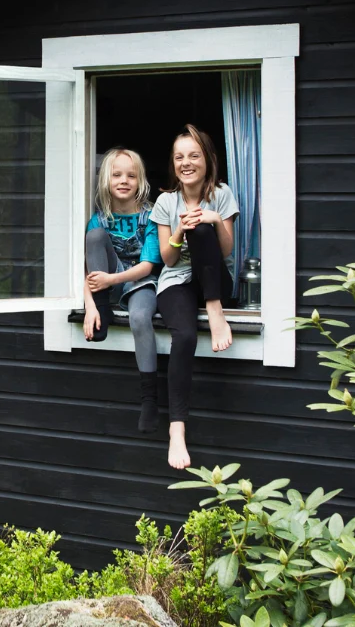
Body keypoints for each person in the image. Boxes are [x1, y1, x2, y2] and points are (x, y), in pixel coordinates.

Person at [150, 124, 238, 469]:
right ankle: (176, 430)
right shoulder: (164, 201)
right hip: (176, 281)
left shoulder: (222, 194)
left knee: (204, 228)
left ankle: (215, 312)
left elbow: (227, 251)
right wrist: (178, 232)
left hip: (215, 281)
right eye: (179, 157)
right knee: (184, 336)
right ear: (173, 164)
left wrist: (214, 220)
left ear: (207, 160)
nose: (186, 163)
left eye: (194, 155)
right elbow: (168, 259)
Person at [81, 148, 163, 433]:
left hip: (141, 282)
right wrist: (89, 306)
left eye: (131, 175)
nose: (124, 180)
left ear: (140, 181)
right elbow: (86, 269)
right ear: (106, 179)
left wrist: (109, 281)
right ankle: (103, 311)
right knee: (94, 237)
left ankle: (149, 400)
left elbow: (148, 265)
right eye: (117, 175)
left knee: (140, 319)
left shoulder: (151, 216)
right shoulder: (100, 218)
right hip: (110, 281)